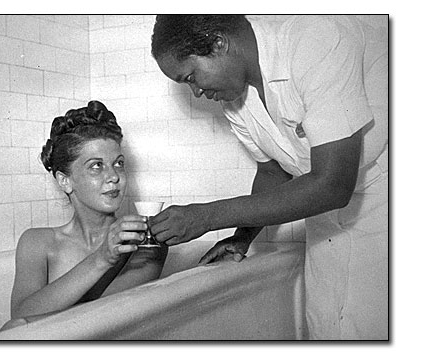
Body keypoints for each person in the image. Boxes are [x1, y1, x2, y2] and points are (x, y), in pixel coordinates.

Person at [150, 15, 387, 340]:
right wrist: (241, 236)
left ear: (219, 43)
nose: (197, 91)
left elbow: (332, 185)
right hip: (325, 225)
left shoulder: (316, 40)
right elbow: (272, 170)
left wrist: (206, 216)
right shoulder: (234, 98)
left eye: (192, 76)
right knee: (329, 331)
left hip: (387, 212)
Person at [0, 101, 168, 332]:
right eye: (96, 166)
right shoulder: (37, 243)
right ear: (64, 181)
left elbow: (105, 320)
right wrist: (102, 258)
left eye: (118, 164)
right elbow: (20, 318)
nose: (114, 176)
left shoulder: (146, 241)